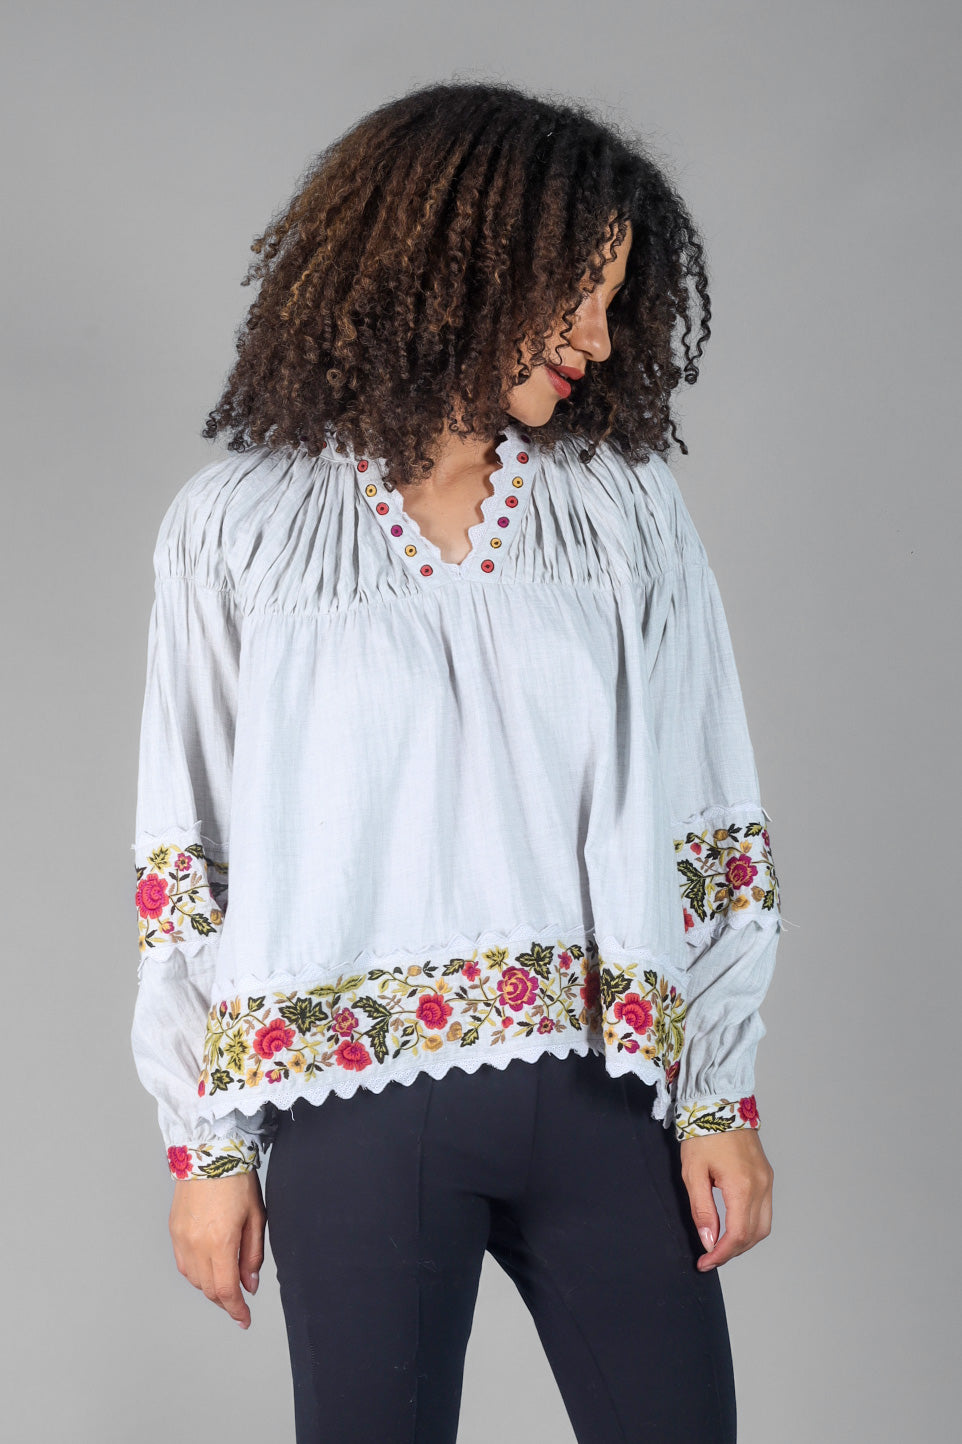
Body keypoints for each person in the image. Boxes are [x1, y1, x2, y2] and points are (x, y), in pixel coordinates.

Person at [130, 79, 783, 1443]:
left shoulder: (623, 514)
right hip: (349, 1117)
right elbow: (193, 852)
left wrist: (717, 1096)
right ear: (458, 263)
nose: (600, 339)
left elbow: (703, 805)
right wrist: (211, 1147)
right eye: (575, 295)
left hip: (606, 1095)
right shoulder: (241, 527)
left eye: (616, 301)